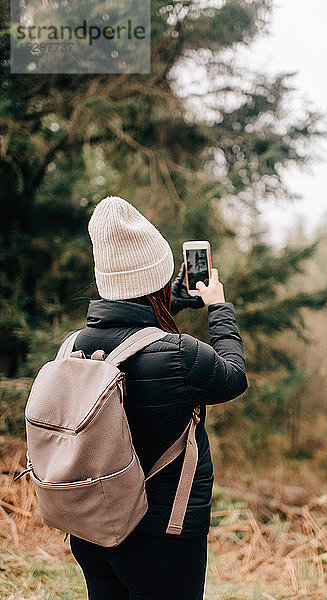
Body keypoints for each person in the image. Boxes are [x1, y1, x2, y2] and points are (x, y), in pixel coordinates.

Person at [68, 195, 248, 600]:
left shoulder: (73, 347)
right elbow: (234, 377)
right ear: (158, 280)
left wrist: (174, 300)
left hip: (91, 527)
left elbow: (133, 336)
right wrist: (218, 308)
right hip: (163, 534)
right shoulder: (181, 354)